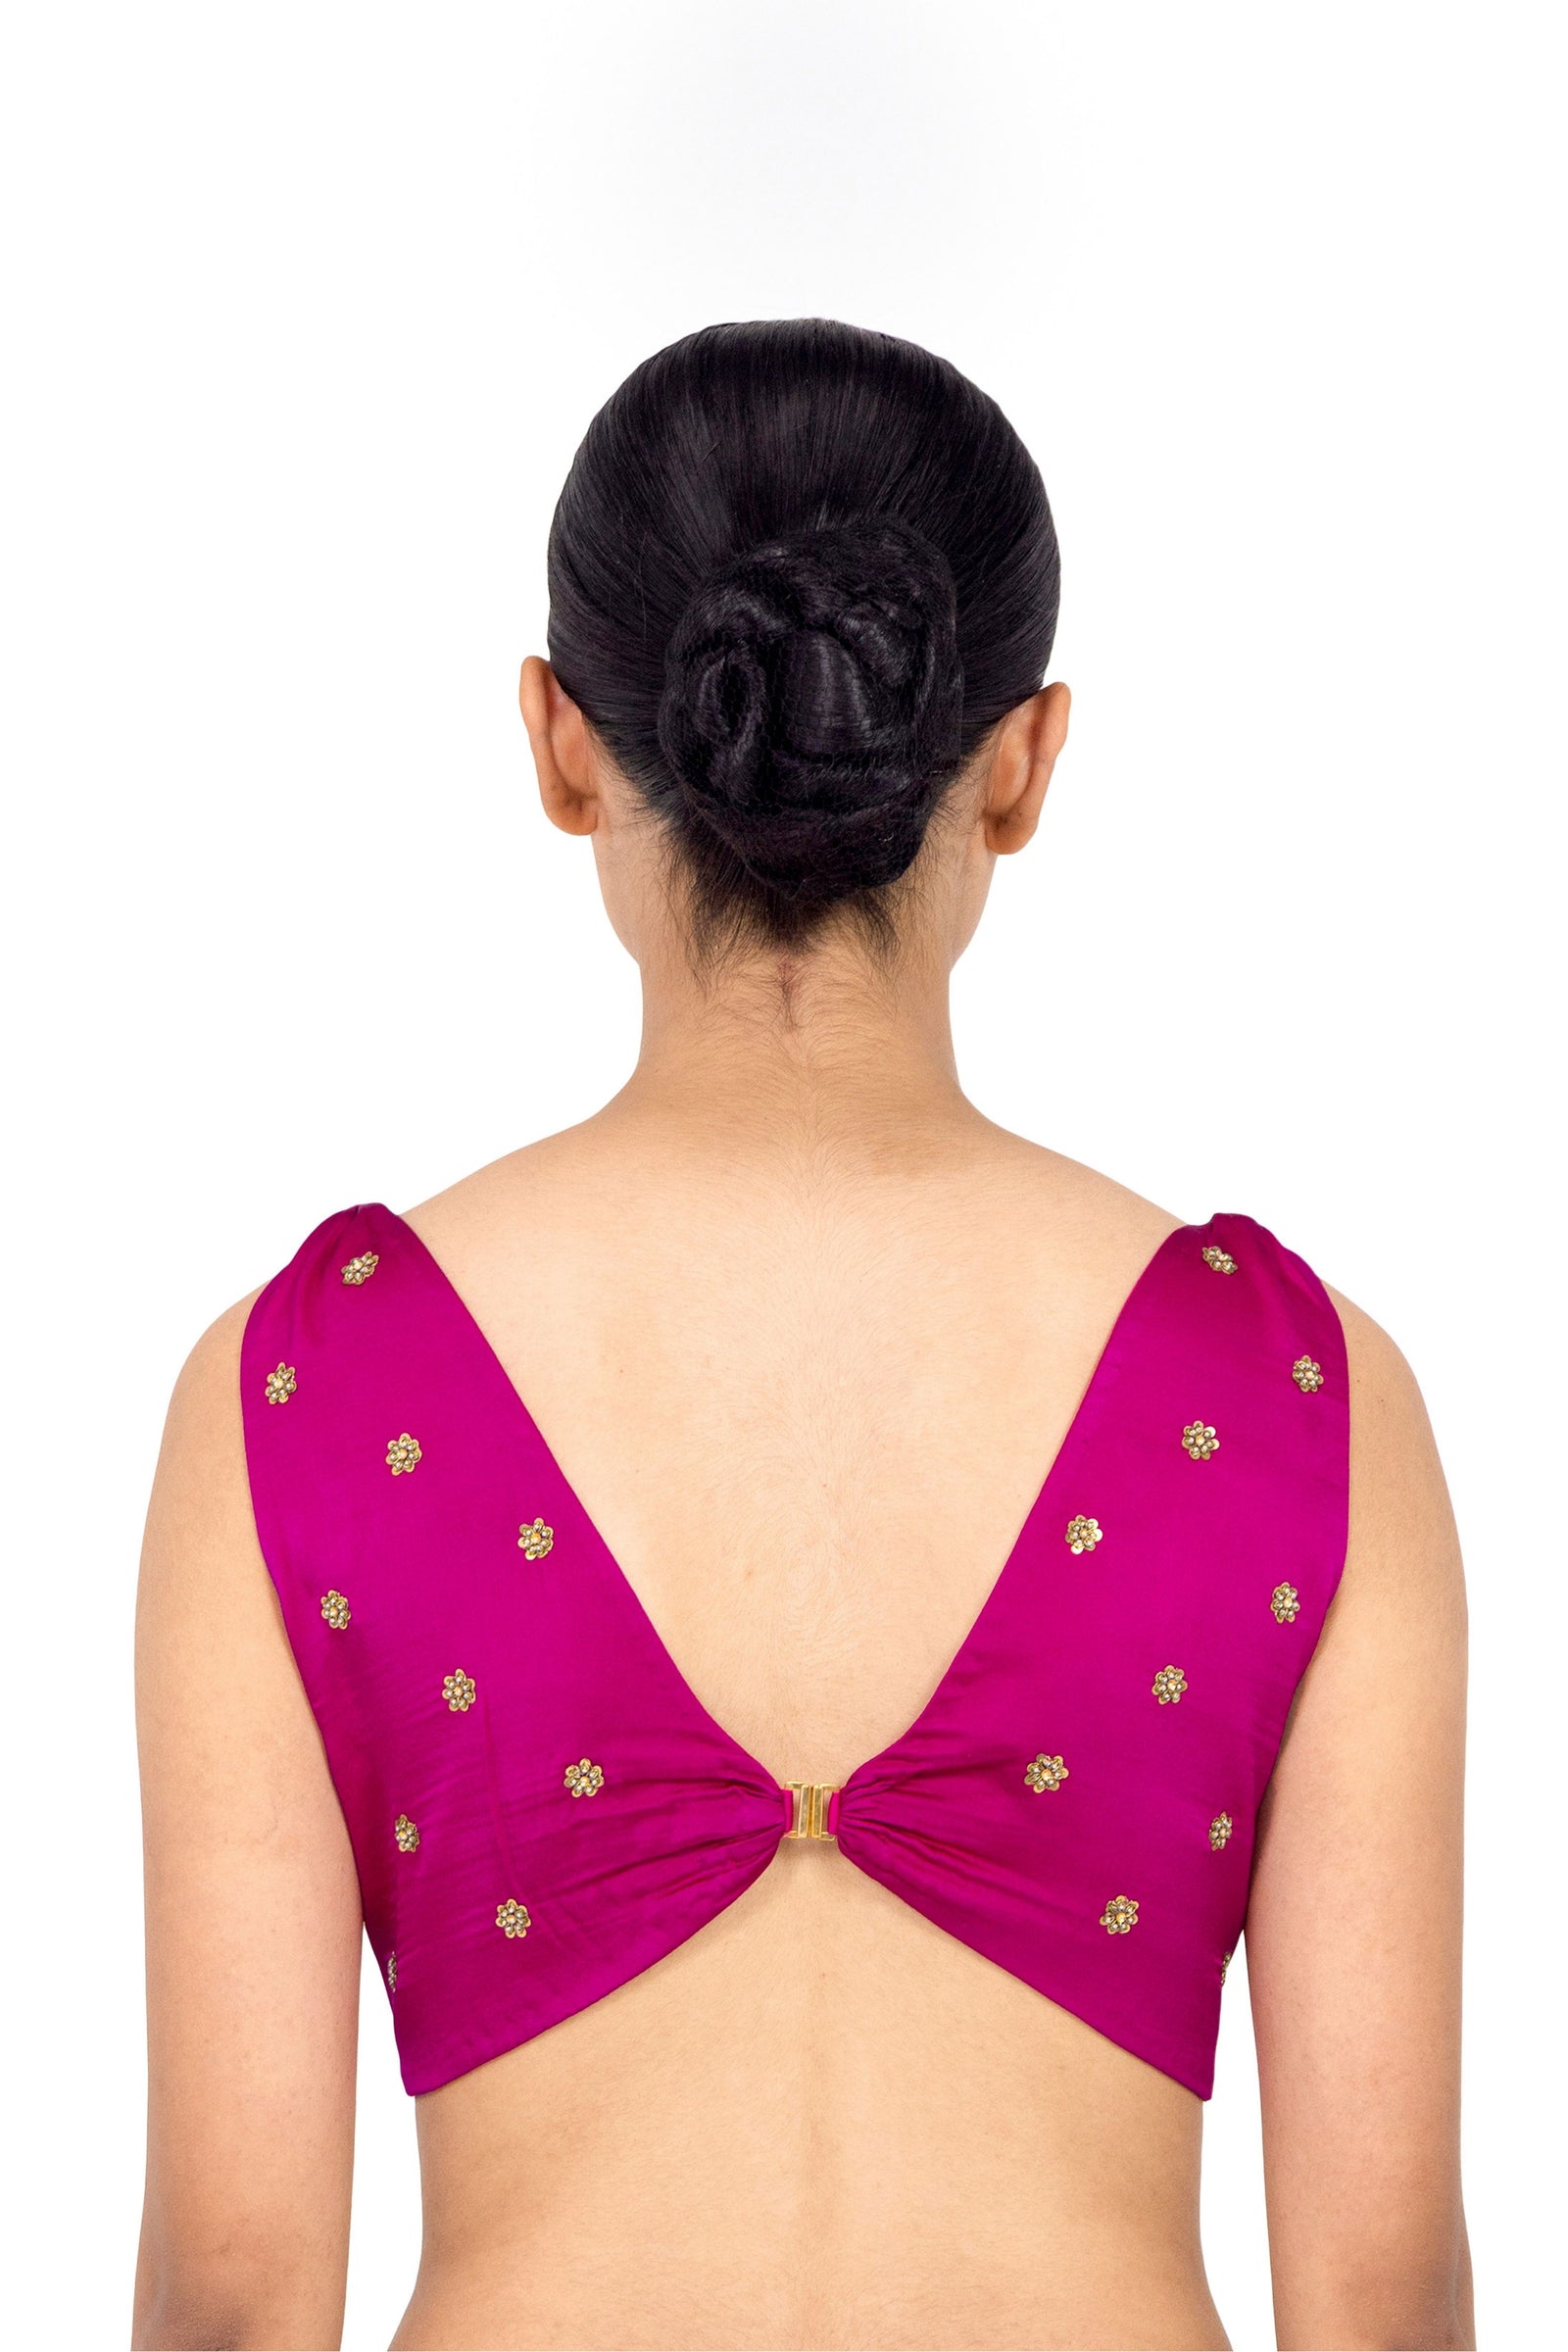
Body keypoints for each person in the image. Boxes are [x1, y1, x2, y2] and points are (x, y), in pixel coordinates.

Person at [132, 319, 1471, 2352]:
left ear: (559, 742)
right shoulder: (1297, 1396)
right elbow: (1380, 2301)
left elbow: (235, 2299)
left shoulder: (298, 1395)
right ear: (1021, 763)